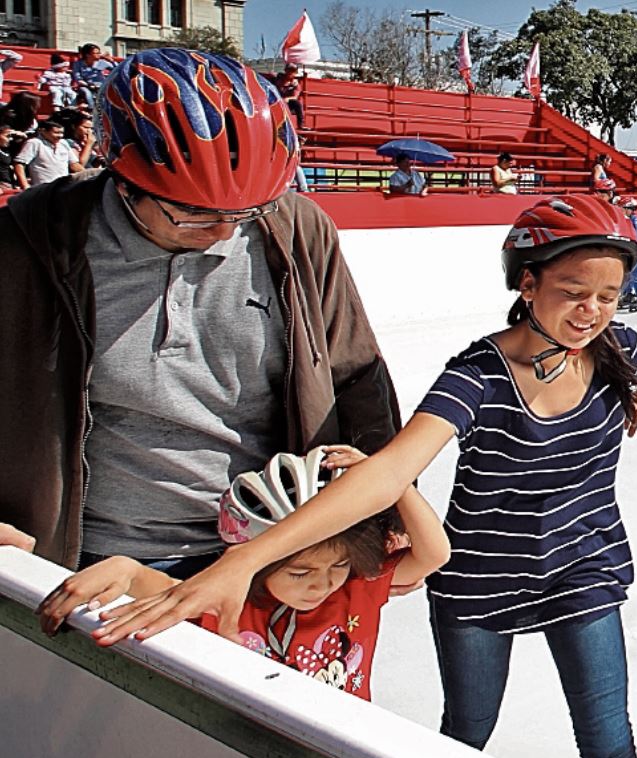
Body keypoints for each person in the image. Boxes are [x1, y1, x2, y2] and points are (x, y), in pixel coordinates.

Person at [78, 195, 637, 758]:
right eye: (572, 291)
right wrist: (247, 556)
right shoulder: (478, 374)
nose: (592, 311)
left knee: (609, 737)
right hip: (481, 580)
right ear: (527, 284)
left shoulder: (617, 347)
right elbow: (390, 470)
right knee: (465, 734)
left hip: (582, 565)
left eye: (608, 295)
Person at [0, 48, 402, 572]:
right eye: (194, 214)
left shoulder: (297, 229)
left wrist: (390, 508)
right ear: (122, 180)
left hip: (272, 555)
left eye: (245, 212)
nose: (225, 232)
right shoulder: (27, 244)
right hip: (86, 561)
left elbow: (355, 376)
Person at [37, 445, 450, 700]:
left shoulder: (356, 588)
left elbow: (435, 553)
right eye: (298, 572)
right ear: (252, 563)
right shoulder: (234, 603)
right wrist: (123, 570)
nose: (321, 583)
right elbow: (170, 591)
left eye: (338, 565)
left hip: (339, 741)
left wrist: (389, 481)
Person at [12, 119, 75, 189]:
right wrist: (25, 186)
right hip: (43, 189)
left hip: (63, 187)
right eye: (56, 132)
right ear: (43, 131)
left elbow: (74, 164)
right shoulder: (34, 143)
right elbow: (19, 164)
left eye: (62, 133)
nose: (60, 136)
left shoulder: (63, 143)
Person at [618, 196, 637, 311]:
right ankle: (628, 294)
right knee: (628, 274)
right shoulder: (628, 220)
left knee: (636, 275)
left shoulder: (635, 222)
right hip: (633, 250)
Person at [71, 43, 116, 109]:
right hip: (86, 86)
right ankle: (91, 109)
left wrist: (111, 61)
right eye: (96, 53)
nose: (99, 55)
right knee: (87, 93)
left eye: (99, 53)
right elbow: (78, 78)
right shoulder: (78, 64)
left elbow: (117, 69)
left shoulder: (102, 62)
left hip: (100, 85)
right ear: (88, 55)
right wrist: (88, 85)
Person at [274, 62, 304, 129]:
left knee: (297, 104)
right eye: (289, 70)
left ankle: (300, 125)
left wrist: (287, 99)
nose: (290, 73)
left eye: (293, 71)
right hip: (276, 101)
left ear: (295, 73)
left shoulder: (295, 84)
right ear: (285, 70)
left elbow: (295, 96)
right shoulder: (278, 79)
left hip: (288, 105)